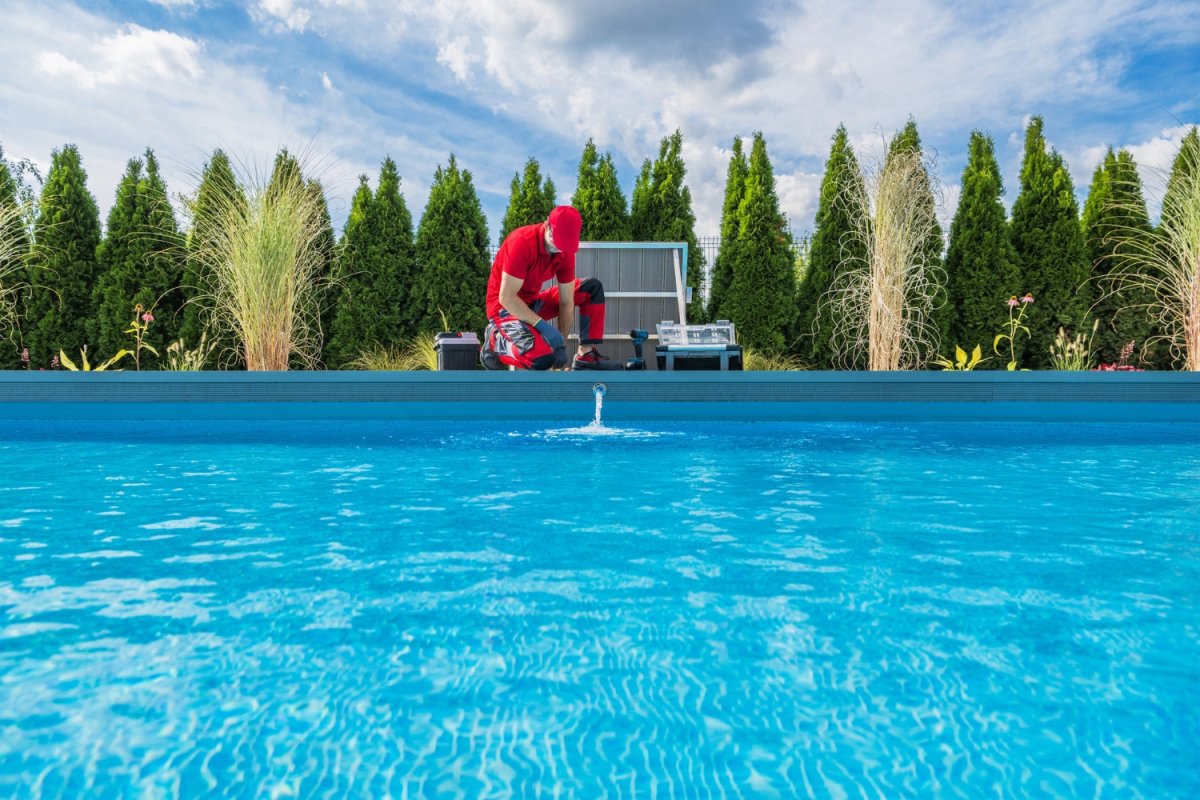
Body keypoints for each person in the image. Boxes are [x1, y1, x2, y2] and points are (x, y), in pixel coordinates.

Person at [481, 205, 613, 370]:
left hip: (532, 303)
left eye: (564, 244)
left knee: (590, 288)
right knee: (540, 359)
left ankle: (585, 356)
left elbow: (566, 301)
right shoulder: (521, 242)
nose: (559, 248)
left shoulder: (565, 251)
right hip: (504, 309)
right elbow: (506, 298)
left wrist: (560, 346)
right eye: (557, 240)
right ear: (547, 225)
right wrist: (542, 326)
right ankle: (495, 343)